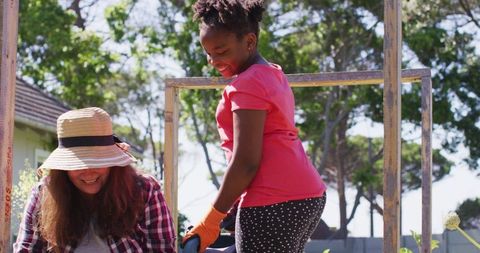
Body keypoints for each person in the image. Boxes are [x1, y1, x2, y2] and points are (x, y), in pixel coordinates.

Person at [183, 1, 327, 252]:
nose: (213, 61)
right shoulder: (271, 73)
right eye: (208, 52)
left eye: (221, 51)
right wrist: (235, 204)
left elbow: (246, 161)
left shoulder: (247, 83)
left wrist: (211, 219)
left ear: (249, 42)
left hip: (272, 202)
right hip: (307, 195)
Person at [14, 107, 176, 253]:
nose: (88, 172)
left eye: (98, 161)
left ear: (113, 163)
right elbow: (26, 249)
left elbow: (162, 249)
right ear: (63, 169)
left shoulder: (144, 190)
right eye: (77, 164)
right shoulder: (44, 193)